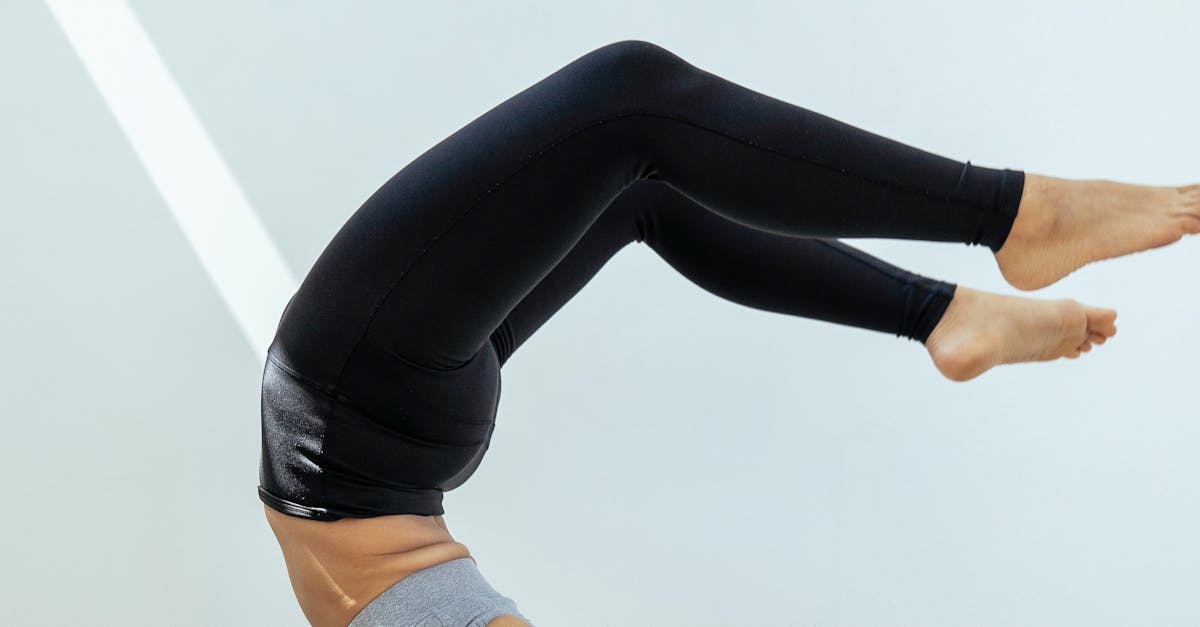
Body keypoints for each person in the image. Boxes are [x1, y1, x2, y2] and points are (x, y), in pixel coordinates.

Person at [258, 40, 1200, 627]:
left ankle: (950, 304)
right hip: (357, 421)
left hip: (389, 446)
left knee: (640, 175)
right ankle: (1008, 224)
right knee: (630, 100)